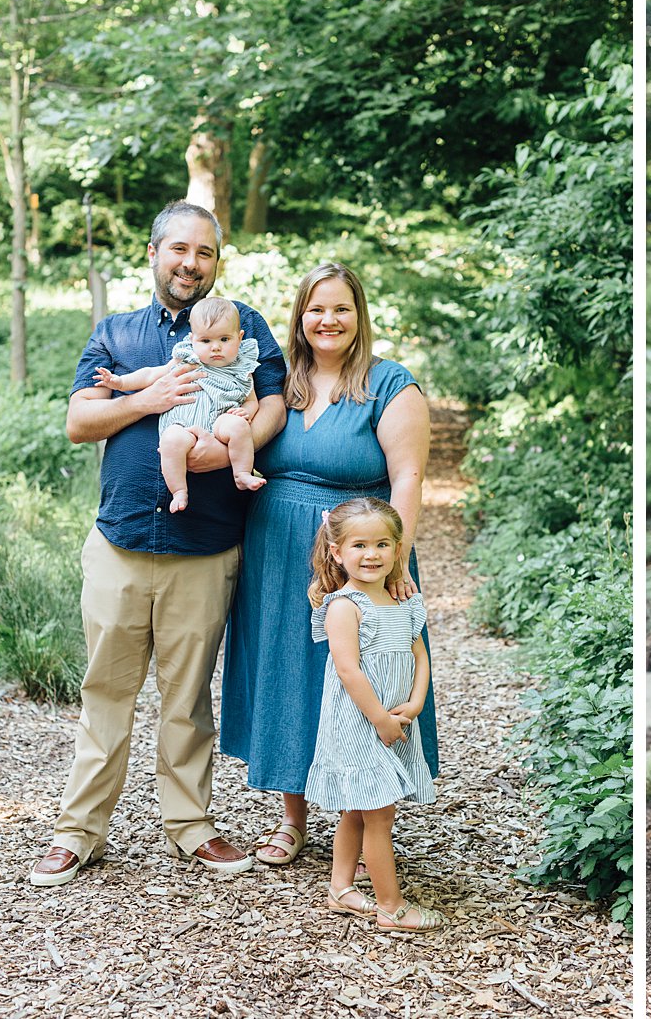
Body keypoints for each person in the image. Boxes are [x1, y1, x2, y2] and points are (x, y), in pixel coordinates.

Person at [29, 200, 288, 886]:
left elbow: (275, 403)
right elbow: (81, 420)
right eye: (179, 250)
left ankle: (192, 828)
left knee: (188, 697)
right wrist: (148, 401)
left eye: (203, 253)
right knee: (105, 693)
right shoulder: (117, 333)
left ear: (215, 262)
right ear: (153, 253)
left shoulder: (243, 324)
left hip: (204, 548)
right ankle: (78, 833)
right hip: (118, 542)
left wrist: (231, 447)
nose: (190, 264)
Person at [221, 261, 437, 870]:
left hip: (359, 555)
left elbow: (409, 477)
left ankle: (361, 814)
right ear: (300, 317)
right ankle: (291, 819)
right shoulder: (276, 383)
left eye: (341, 308)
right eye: (316, 308)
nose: (328, 320)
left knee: (355, 673)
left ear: (359, 316)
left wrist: (392, 565)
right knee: (288, 672)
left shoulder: (390, 383)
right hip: (276, 551)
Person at [305, 497, 443, 932]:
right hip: (360, 722)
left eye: (382, 544)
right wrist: (381, 719)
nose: (371, 555)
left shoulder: (403, 601)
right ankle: (390, 906)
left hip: (397, 720)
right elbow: (348, 671)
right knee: (378, 814)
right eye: (359, 546)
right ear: (337, 552)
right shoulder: (345, 606)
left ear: (397, 549)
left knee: (358, 809)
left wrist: (417, 701)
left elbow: (419, 655)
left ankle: (341, 888)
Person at [94, 296, 267, 513]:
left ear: (239, 338)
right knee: (171, 441)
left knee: (239, 426)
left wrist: (246, 412)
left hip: (220, 422)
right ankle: (179, 491)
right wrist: (120, 381)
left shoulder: (242, 369)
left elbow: (252, 401)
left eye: (224, 339)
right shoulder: (186, 359)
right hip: (183, 423)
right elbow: (150, 375)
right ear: (193, 339)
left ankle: (241, 473)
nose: (215, 348)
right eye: (206, 341)